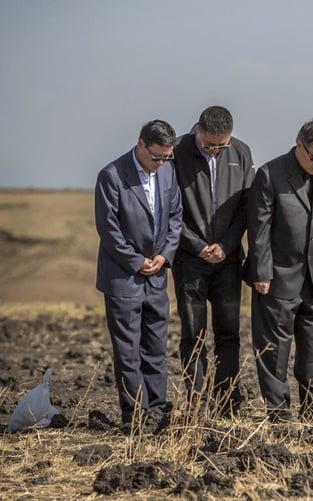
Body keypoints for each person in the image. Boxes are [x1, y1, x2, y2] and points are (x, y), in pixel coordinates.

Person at [247, 119, 313, 422]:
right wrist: (261, 272)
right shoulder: (270, 173)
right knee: (274, 350)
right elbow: (259, 228)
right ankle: (280, 413)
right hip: (276, 277)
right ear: (299, 145)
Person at [94, 119, 183, 434]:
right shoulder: (112, 175)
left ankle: (157, 412)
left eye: (166, 157)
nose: (160, 164)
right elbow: (108, 229)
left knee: (156, 347)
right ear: (141, 144)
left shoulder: (169, 171)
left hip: (157, 276)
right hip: (123, 278)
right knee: (128, 350)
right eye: (156, 156)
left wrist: (164, 256)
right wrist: (136, 261)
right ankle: (135, 415)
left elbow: (175, 218)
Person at [171, 106, 254, 415]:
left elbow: (248, 206)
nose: (215, 151)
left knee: (228, 333)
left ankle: (226, 403)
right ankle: (196, 404)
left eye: (222, 146)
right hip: (189, 260)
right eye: (209, 145)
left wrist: (227, 244)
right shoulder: (176, 153)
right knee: (193, 333)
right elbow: (169, 208)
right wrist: (196, 245)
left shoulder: (242, 153)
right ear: (197, 130)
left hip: (229, 260)